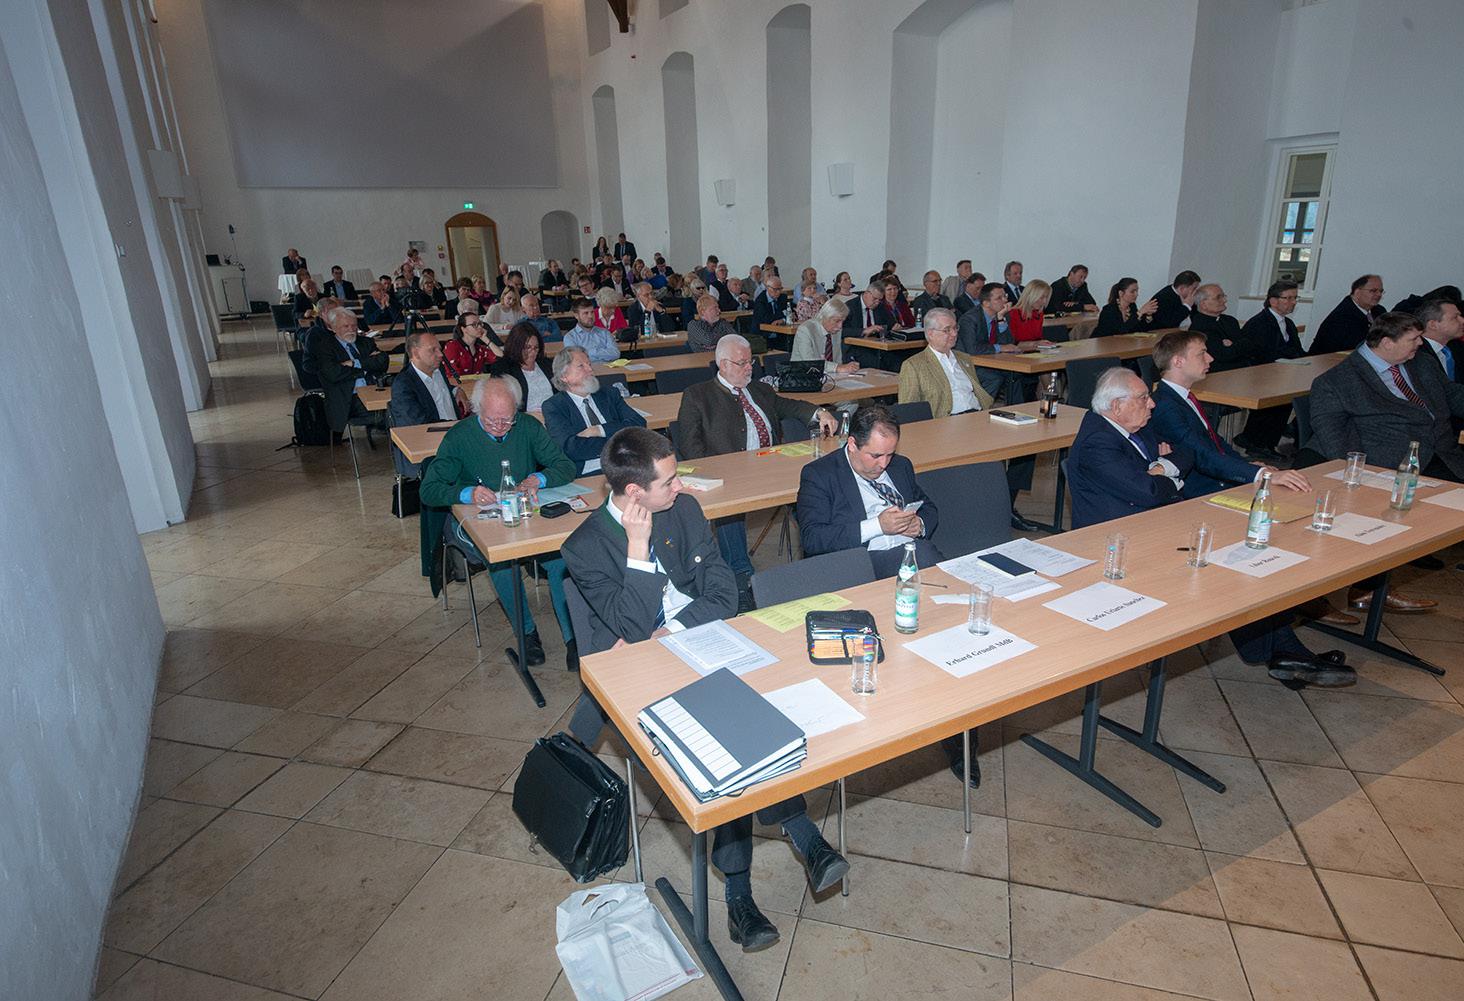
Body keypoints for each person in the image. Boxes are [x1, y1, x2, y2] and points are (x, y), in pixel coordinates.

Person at [560, 427, 848, 951]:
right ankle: (753, 884)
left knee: (762, 721)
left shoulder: (685, 510)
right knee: (728, 747)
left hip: (701, 645)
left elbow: (724, 590)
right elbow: (630, 625)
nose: (681, 486)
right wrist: (638, 548)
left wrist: (672, 630)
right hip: (643, 677)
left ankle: (787, 850)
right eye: (669, 481)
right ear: (633, 493)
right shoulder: (584, 547)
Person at [1068, 367, 1354, 688]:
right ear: (1116, 405)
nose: (1152, 404)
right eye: (1143, 397)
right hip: (1118, 544)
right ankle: (1285, 654)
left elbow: (1186, 454)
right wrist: (1168, 476)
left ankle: (1286, 653)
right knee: (1228, 569)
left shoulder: (1133, 427)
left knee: (1243, 556)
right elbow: (1146, 492)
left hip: (1155, 523)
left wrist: (1160, 468)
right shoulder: (1098, 440)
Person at [794, 404, 982, 784]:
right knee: (940, 610)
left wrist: (919, 524)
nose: (884, 464)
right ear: (851, 444)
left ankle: (962, 727)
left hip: (914, 555)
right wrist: (876, 526)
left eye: (890, 454)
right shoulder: (820, 475)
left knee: (956, 629)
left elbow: (929, 506)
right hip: (865, 567)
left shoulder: (901, 466)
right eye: (875, 456)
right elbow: (814, 540)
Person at [421, 377, 578, 667]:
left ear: (516, 411)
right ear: (476, 409)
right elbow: (429, 490)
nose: (500, 427)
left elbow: (565, 466)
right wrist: (467, 493)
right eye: (492, 420)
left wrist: (539, 478)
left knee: (559, 560)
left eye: (507, 420)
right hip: (476, 522)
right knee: (503, 564)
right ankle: (527, 633)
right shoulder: (460, 436)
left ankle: (573, 638)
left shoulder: (527, 427)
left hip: (525, 516)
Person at [677, 334, 837, 588]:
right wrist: (716, 472)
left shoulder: (760, 390)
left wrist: (820, 412)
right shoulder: (697, 396)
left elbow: (790, 406)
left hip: (772, 466)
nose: (749, 368)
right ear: (723, 364)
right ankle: (741, 574)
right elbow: (690, 446)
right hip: (729, 474)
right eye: (742, 363)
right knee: (729, 507)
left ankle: (822, 556)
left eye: (751, 361)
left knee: (813, 488)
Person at [1149, 331, 1310, 498]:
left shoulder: (1183, 397)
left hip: (1216, 475)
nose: (1210, 358)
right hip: (1199, 489)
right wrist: (1259, 474)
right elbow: (1202, 455)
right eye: (1202, 353)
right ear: (1178, 361)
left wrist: (1248, 465)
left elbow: (1215, 442)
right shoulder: (1165, 406)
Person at [1309, 311, 1464, 482]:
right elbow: (1336, 442)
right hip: (1393, 467)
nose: (1421, 342)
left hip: (1447, 456)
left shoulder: (1423, 362)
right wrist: (1361, 478)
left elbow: (1452, 394)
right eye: (1414, 339)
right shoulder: (1335, 383)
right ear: (1387, 343)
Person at [542, 347, 647, 476]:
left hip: (625, 462)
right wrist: (622, 442)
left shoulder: (609, 394)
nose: (590, 369)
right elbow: (570, 448)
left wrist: (599, 430)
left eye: (589, 364)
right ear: (564, 376)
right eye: (581, 366)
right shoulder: (554, 406)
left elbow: (639, 424)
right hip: (588, 470)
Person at [1232, 281, 1307, 456]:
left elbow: (1296, 349)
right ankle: (1258, 442)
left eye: (1295, 298)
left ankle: (1265, 441)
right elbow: (1263, 353)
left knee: (1289, 397)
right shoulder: (1260, 323)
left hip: (1280, 372)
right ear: (1273, 301)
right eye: (1288, 298)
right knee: (1277, 399)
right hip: (1258, 374)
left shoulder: (1288, 323)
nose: (1293, 302)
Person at [897, 308, 993, 418]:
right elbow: (908, 410)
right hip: (945, 420)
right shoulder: (914, 365)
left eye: (955, 328)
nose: (954, 334)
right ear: (930, 333)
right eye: (947, 330)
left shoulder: (964, 358)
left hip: (978, 414)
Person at [308, 306, 388, 434]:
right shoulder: (324, 347)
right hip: (349, 399)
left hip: (375, 390)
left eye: (354, 325)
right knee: (391, 414)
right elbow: (334, 374)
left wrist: (355, 363)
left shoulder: (366, 342)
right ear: (333, 328)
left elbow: (383, 361)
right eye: (346, 326)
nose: (351, 329)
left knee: (404, 405)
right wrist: (365, 369)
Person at [955, 282, 1025, 400]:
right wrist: (1000, 348)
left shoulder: (1003, 315)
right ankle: (979, 407)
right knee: (993, 378)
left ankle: (1015, 409)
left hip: (989, 361)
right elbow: (972, 349)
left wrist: (1001, 319)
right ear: (986, 303)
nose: (1005, 300)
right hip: (968, 363)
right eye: (999, 298)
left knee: (1015, 374)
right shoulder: (970, 319)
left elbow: (1009, 343)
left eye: (1005, 296)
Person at [389, 330, 466, 427]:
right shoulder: (403, 385)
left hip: (455, 428)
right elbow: (418, 423)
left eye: (439, 349)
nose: (441, 354)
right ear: (416, 353)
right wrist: (454, 425)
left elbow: (438, 389)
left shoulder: (439, 369)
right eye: (433, 350)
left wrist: (456, 390)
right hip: (433, 433)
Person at [1186, 284, 1257, 373]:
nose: (1224, 300)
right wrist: (1238, 345)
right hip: (1218, 373)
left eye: (1223, 296)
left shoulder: (1230, 320)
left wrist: (1234, 345)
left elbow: (1250, 346)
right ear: (1203, 304)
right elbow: (1224, 355)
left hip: (1241, 369)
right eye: (1218, 297)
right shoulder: (1200, 326)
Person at [1310, 274, 1388, 355]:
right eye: (1373, 291)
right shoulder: (1341, 317)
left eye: (1381, 291)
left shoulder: (1380, 311)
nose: (1379, 295)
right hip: (1328, 359)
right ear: (1357, 292)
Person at [490, 322, 557, 413]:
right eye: (527, 347)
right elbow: (502, 403)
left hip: (553, 415)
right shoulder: (503, 368)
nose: (533, 352)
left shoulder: (547, 364)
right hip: (524, 418)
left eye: (536, 347)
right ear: (516, 346)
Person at [792, 298, 859, 374]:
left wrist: (845, 368)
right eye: (837, 321)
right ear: (826, 317)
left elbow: (837, 360)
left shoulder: (836, 330)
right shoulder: (805, 329)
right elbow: (810, 362)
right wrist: (837, 368)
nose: (840, 326)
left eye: (842, 321)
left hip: (829, 376)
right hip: (802, 375)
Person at [1415, 296, 1464, 391]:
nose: (1462, 321)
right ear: (1433, 325)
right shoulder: (1416, 353)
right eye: (1455, 317)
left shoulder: (1457, 346)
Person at [1094, 277, 1159, 338]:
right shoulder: (1109, 310)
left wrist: (1148, 315)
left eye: (1137, 291)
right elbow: (1119, 331)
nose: (1136, 294)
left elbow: (1138, 329)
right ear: (1121, 293)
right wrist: (1140, 313)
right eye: (1132, 291)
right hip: (1103, 343)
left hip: (1122, 343)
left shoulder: (1132, 307)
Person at [563, 298, 621, 362]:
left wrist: (590, 352)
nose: (590, 316)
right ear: (576, 315)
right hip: (586, 368)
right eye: (586, 313)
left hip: (608, 368)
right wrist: (604, 353)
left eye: (592, 312)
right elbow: (577, 359)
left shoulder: (605, 332)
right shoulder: (570, 337)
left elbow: (616, 354)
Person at [443, 312, 498, 378]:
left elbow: (501, 358)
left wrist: (486, 340)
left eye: (480, 324)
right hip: (459, 384)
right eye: (474, 324)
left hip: (476, 383)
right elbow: (453, 376)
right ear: (464, 329)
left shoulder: (480, 349)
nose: (480, 327)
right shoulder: (452, 346)